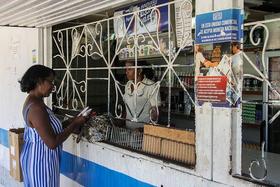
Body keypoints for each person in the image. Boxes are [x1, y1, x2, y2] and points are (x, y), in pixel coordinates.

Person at [19, 65, 88, 187]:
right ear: (39, 81)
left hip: (39, 159)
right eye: (50, 82)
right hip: (40, 163)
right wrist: (75, 124)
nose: (53, 87)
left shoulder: (36, 101)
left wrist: (72, 120)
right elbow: (52, 142)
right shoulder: (36, 108)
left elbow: (48, 128)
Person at [123, 61, 161, 129]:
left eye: (129, 69)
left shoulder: (151, 85)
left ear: (139, 70)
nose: (126, 72)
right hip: (128, 129)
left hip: (142, 132)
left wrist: (142, 129)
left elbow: (155, 114)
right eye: (125, 69)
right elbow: (127, 109)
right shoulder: (128, 85)